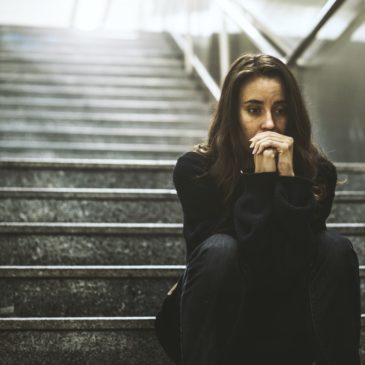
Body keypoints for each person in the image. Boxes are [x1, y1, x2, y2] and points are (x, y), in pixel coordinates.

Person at [155, 54, 361, 365]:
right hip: (226, 327)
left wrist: (289, 181)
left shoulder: (317, 173)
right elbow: (234, 258)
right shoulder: (196, 170)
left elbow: (290, 259)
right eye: (254, 109)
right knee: (221, 249)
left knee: (335, 248)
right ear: (232, 114)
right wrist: (262, 180)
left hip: (289, 326)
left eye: (280, 110)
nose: (269, 123)